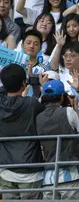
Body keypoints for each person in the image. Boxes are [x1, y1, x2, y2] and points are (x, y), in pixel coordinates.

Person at [0, 64, 45, 200]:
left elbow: (4, 90)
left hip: (5, 170)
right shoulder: (31, 103)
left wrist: (9, 82)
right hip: (30, 171)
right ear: (23, 83)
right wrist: (38, 85)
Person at [36, 80, 79, 200]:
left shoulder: (38, 117)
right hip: (70, 175)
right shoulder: (68, 111)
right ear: (63, 97)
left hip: (48, 177)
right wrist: (75, 109)